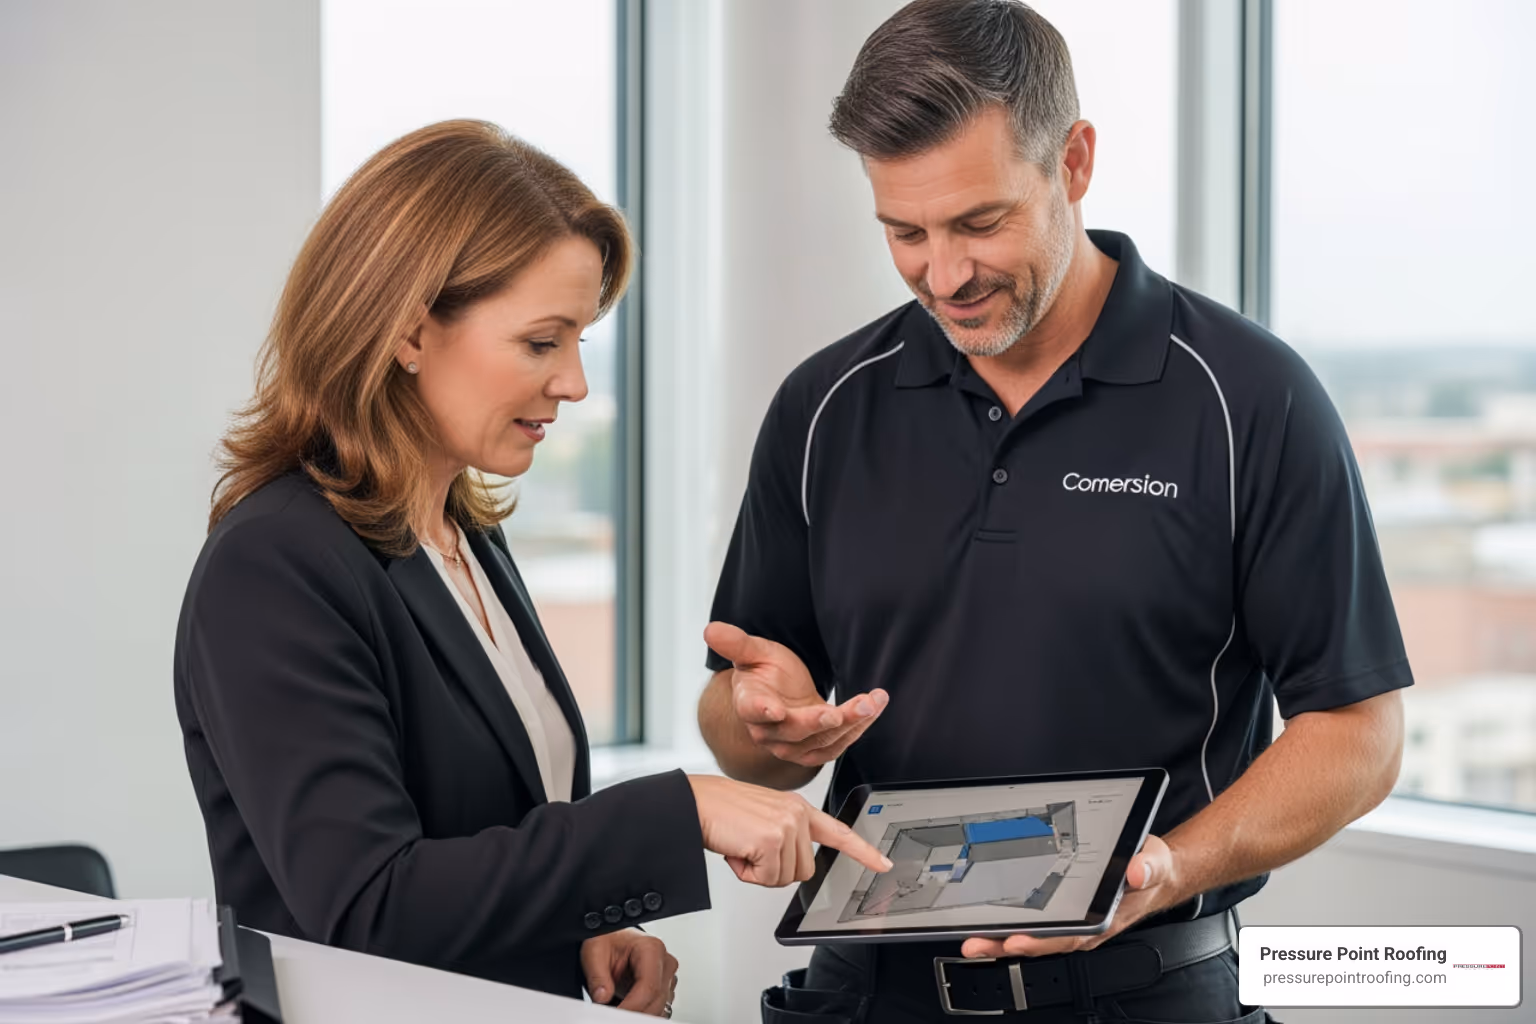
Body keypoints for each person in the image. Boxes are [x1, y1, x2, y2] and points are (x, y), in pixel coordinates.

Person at [698, 3, 1409, 1022]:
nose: (943, 275)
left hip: (1149, 990)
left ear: (1073, 162)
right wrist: (766, 722)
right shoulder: (823, 406)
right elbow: (740, 729)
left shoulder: (1249, 397)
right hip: (867, 996)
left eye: (980, 223)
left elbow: (1361, 727)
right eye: (905, 232)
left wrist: (1168, 863)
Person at [173, 120, 890, 1019]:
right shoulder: (274, 563)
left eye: (582, 340)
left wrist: (583, 924)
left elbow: (490, 834)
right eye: (542, 342)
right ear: (408, 331)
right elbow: (369, 905)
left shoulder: (462, 534)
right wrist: (682, 813)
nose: (577, 384)